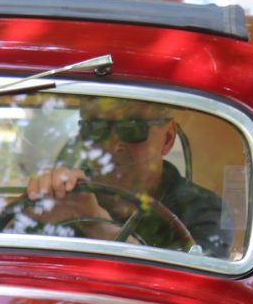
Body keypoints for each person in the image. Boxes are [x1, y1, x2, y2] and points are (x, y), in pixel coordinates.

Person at [21, 98, 229, 255]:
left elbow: (190, 287)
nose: (113, 147)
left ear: (167, 138)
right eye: (96, 129)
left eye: (132, 129)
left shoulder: (206, 210)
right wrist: (37, 213)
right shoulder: (65, 196)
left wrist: (95, 223)